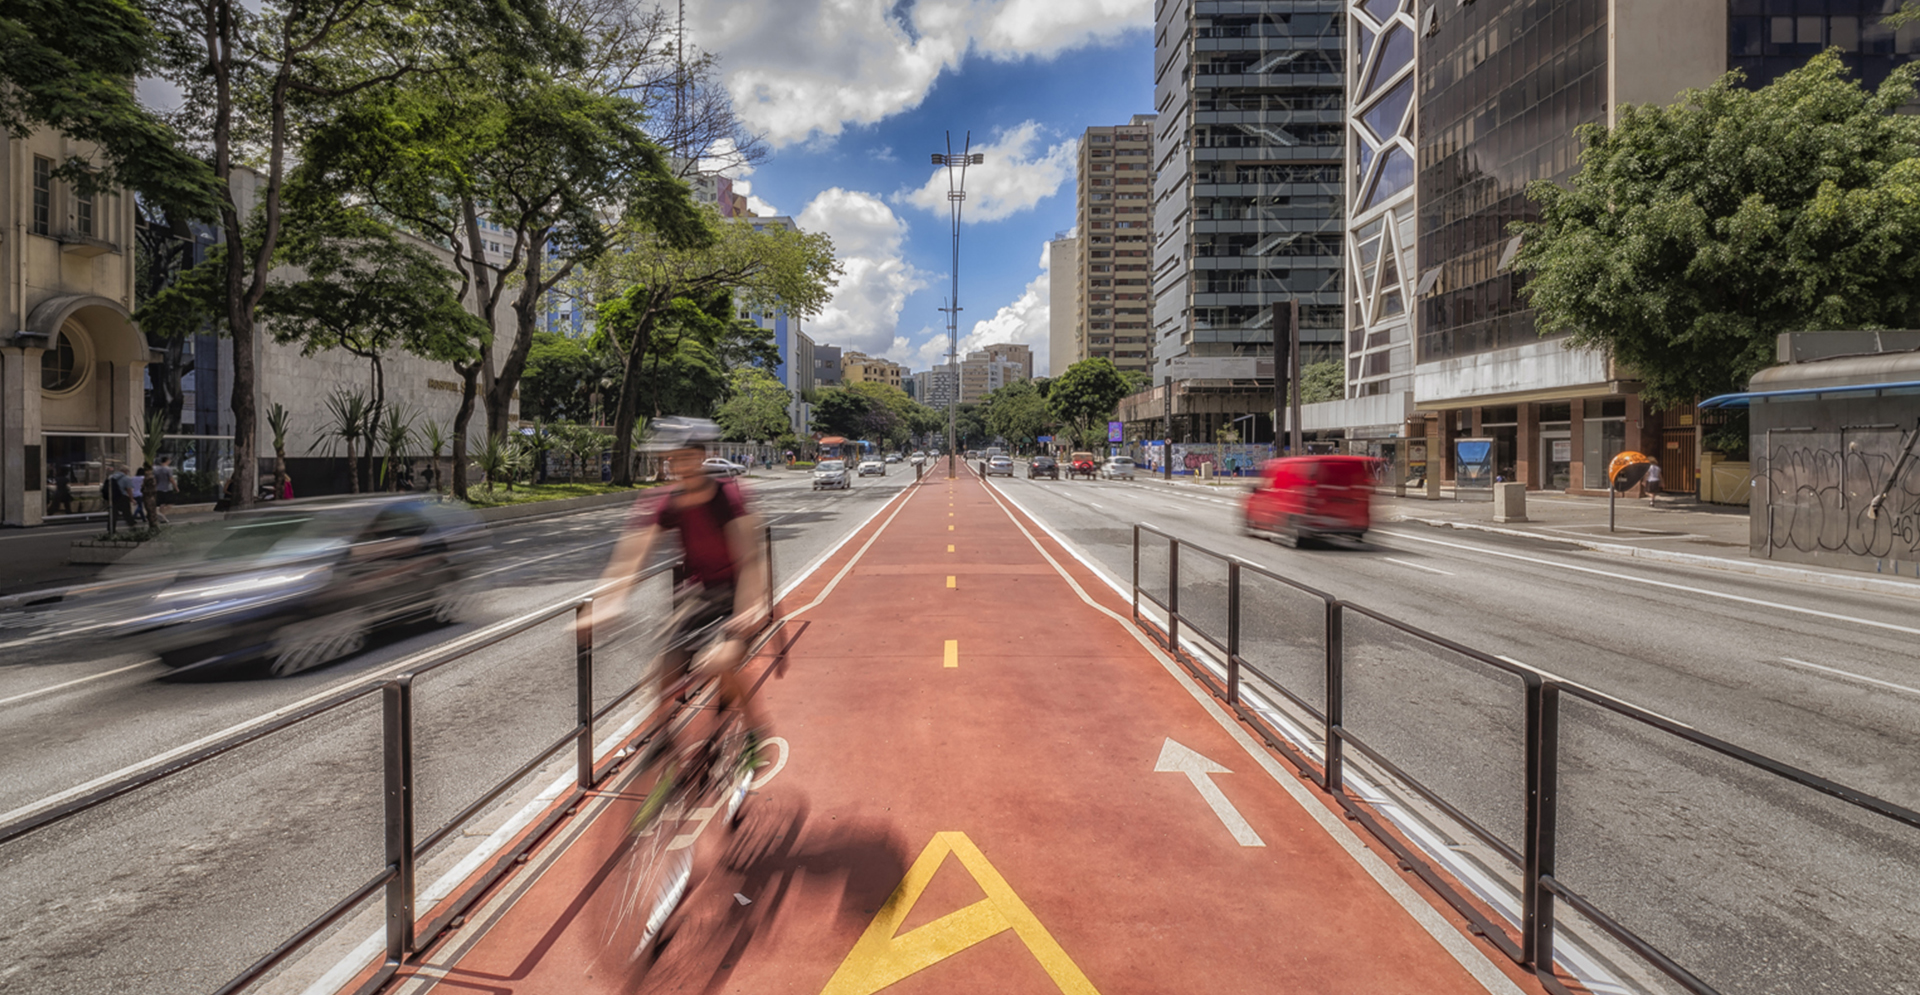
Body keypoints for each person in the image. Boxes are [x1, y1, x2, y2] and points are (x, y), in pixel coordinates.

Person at [587, 417, 770, 742]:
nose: (677, 466)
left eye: (685, 457)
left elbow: (750, 559)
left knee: (721, 661)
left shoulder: (727, 498)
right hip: (698, 597)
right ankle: (664, 752)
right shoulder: (664, 501)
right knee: (659, 677)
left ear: (702, 456)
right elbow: (631, 557)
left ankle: (753, 727)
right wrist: (608, 603)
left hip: (735, 595)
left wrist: (748, 610)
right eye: (670, 459)